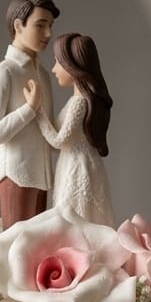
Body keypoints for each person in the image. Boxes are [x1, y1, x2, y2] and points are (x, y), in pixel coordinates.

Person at [0, 0, 60, 230]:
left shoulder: (44, 75)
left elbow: (49, 131)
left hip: (43, 174)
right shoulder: (3, 72)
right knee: (15, 246)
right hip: (16, 174)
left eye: (50, 26)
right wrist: (29, 109)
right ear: (18, 25)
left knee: (37, 250)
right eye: (40, 25)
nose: (48, 34)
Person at [24, 32, 114, 227]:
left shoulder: (79, 103)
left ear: (73, 66)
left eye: (58, 62)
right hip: (75, 163)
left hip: (76, 168)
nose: (55, 69)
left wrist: (37, 110)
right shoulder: (77, 101)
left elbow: (58, 141)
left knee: (76, 220)